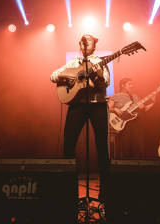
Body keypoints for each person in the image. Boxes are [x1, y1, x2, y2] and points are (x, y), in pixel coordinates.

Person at [50, 34, 110, 201]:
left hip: (97, 105)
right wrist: (66, 77)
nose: (84, 43)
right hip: (77, 105)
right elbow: (53, 75)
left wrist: (98, 75)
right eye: (82, 42)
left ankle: (105, 191)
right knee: (68, 143)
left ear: (94, 46)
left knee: (101, 146)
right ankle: (67, 190)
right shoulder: (74, 62)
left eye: (88, 41)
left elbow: (105, 83)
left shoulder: (100, 61)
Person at [108, 77, 156, 159]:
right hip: (123, 125)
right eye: (129, 84)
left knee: (138, 146)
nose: (132, 86)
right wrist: (115, 109)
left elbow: (144, 108)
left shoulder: (135, 97)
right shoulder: (115, 96)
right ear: (123, 85)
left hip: (136, 124)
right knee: (125, 147)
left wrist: (153, 102)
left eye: (132, 84)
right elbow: (108, 108)